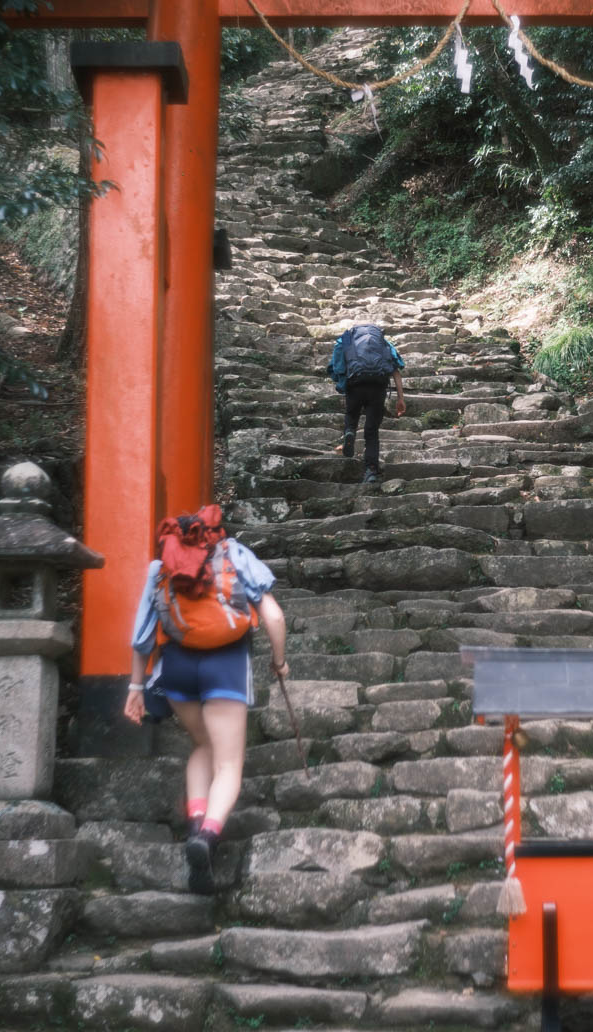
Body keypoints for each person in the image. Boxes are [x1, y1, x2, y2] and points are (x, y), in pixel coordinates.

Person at [124, 505, 289, 894]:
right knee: (229, 762)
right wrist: (279, 663)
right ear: (213, 532)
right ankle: (207, 837)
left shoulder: (161, 566)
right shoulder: (233, 553)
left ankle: (196, 821)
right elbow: (274, 616)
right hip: (226, 666)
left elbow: (142, 635)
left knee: (203, 744)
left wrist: (135, 689)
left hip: (177, 667)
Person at [328, 321, 406, 483]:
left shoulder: (347, 338)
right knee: (371, 432)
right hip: (377, 386)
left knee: (351, 414)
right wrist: (400, 398)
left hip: (355, 384)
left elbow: (336, 364)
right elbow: (396, 369)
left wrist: (341, 382)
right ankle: (371, 471)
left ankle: (350, 431)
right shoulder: (383, 343)